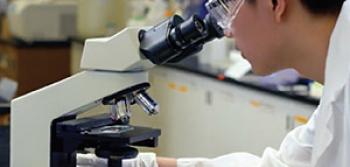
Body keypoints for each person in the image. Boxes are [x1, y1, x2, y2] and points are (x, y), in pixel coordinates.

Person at [78, 0, 349, 166]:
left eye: (230, 6)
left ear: (275, 3)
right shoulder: (338, 88)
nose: (228, 31)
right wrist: (142, 166)